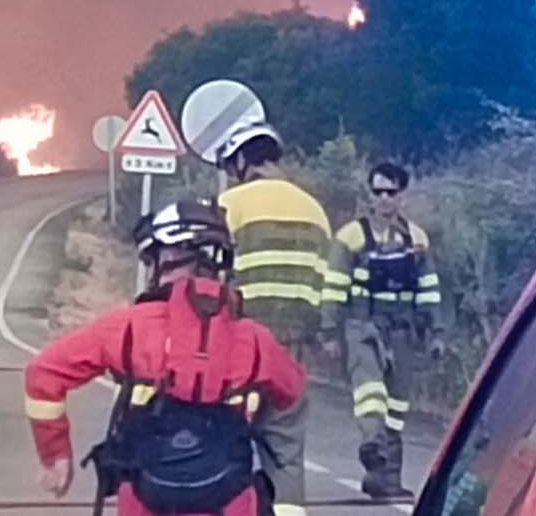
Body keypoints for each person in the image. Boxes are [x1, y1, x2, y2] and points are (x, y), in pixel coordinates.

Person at [24, 199, 305, 516]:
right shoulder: (256, 340)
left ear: (169, 257)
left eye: (153, 259)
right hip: (231, 503)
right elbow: (292, 395)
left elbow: (43, 373)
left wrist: (56, 456)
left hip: (145, 502)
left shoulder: (129, 327)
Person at [214, 121, 332, 516]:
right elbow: (325, 284)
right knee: (286, 452)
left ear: (242, 161)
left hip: (238, 348)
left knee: (221, 442)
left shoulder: (230, 205)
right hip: (294, 351)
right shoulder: (315, 211)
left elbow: (211, 279)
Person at [320, 162, 446, 500]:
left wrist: (436, 332)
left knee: (397, 405)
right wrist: (329, 332)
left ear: (402, 195)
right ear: (370, 194)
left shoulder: (416, 240)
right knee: (370, 391)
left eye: (391, 192)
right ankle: (372, 445)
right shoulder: (351, 236)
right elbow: (334, 286)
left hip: (402, 329)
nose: (384, 198)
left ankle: (385, 480)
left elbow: (429, 288)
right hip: (363, 326)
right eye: (378, 192)